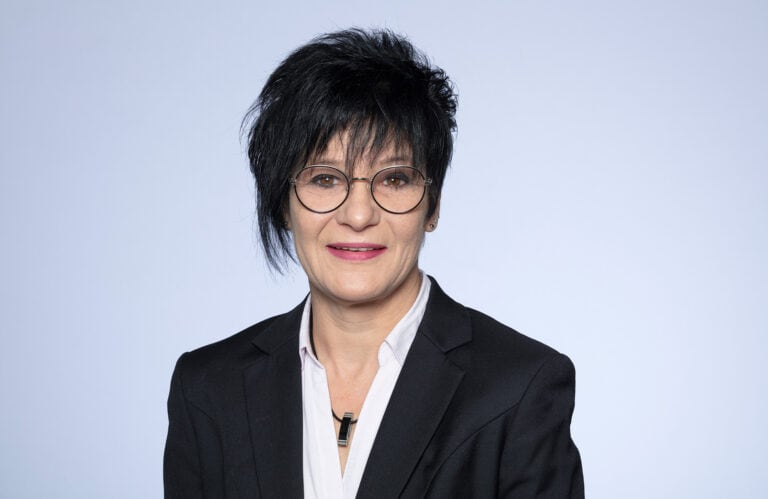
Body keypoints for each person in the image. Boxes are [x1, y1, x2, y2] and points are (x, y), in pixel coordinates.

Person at [163, 28, 584, 498]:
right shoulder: (208, 388)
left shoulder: (520, 386)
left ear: (433, 205)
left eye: (395, 179)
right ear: (283, 203)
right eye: (324, 179)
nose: (359, 215)